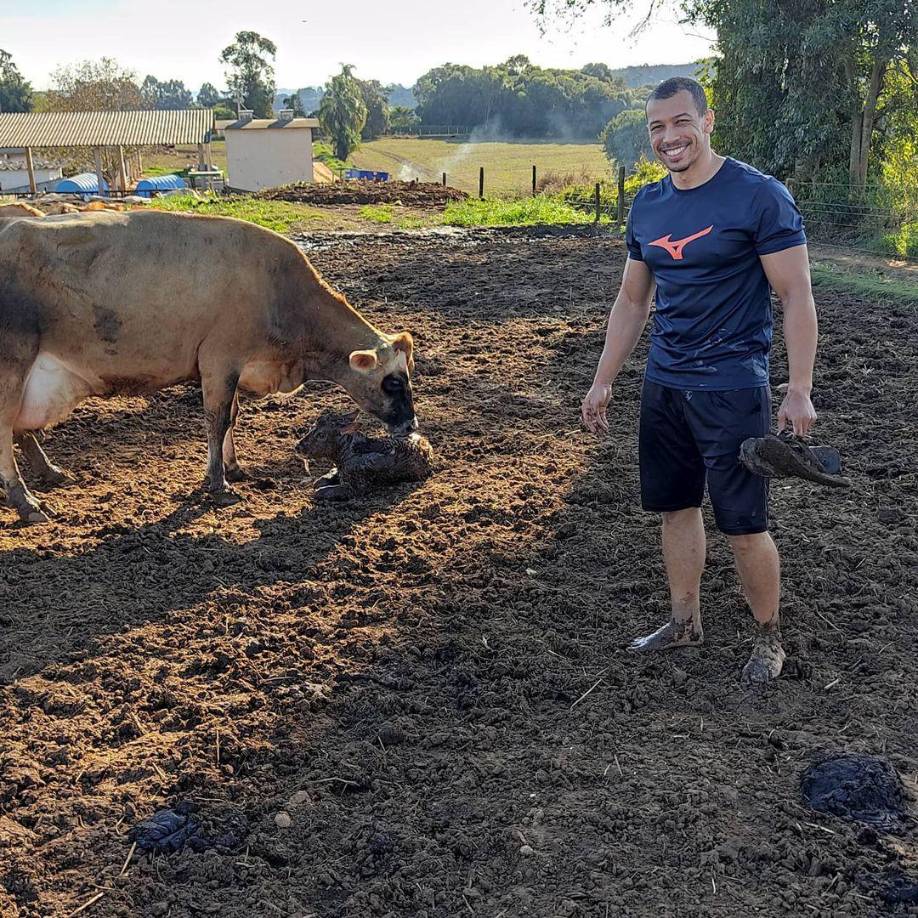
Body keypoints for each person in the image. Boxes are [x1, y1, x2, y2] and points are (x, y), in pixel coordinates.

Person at [581, 76, 818, 687]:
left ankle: (768, 638)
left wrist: (798, 387)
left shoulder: (758, 196)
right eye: (657, 127)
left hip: (732, 387)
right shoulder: (648, 205)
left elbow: (795, 295)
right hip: (665, 384)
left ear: (707, 121)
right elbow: (632, 301)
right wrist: (604, 379)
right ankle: (685, 622)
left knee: (744, 524)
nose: (669, 137)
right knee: (675, 509)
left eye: (680, 122)